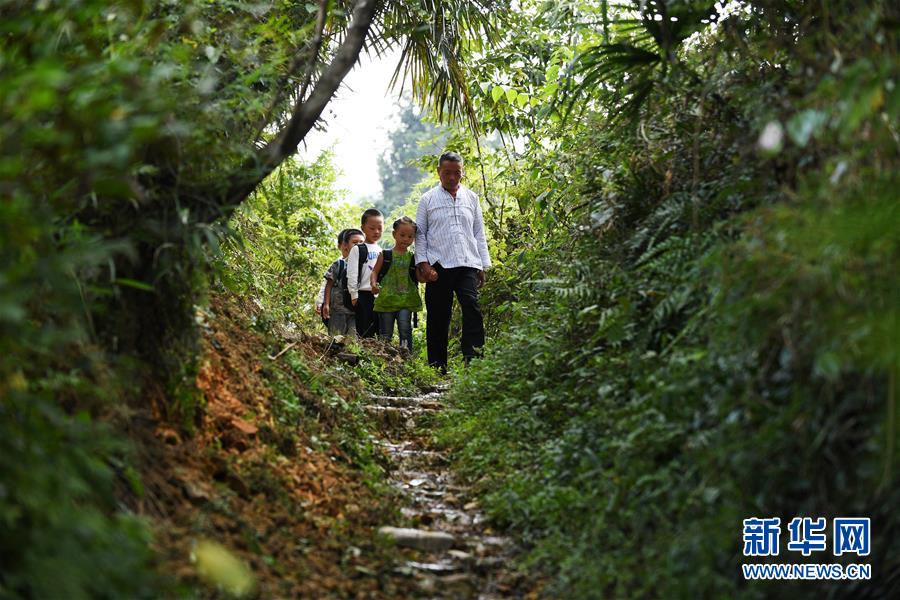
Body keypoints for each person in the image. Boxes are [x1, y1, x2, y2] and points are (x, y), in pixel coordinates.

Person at [415, 152, 491, 371]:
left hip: (467, 262)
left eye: (456, 173)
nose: (452, 177)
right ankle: (437, 367)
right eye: (447, 173)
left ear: (462, 172)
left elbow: (478, 233)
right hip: (438, 265)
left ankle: (474, 363)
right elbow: (420, 234)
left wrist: (482, 265)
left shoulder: (472, 198)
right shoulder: (427, 199)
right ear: (439, 172)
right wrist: (424, 265)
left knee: (472, 309)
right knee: (439, 315)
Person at [371, 216, 423, 352]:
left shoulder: (413, 257)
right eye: (402, 235)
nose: (406, 239)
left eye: (410, 237)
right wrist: (373, 284)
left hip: (406, 300)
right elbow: (375, 272)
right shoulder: (385, 255)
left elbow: (418, 277)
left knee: (405, 328)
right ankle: (384, 356)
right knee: (386, 332)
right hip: (386, 299)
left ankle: (407, 356)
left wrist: (429, 275)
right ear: (394, 234)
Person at [347, 208, 384, 338]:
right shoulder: (358, 249)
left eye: (380, 228)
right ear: (363, 228)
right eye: (372, 228)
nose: (376, 231)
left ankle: (377, 355)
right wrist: (354, 295)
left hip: (379, 296)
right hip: (363, 294)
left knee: (378, 328)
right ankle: (363, 354)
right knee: (364, 328)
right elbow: (351, 273)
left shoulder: (382, 250)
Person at [322, 228, 364, 336]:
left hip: (355, 311)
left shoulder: (365, 266)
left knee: (352, 341)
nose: (358, 246)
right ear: (345, 245)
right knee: (336, 338)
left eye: (361, 243)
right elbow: (329, 285)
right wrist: (326, 304)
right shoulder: (339, 265)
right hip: (337, 310)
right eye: (355, 243)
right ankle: (333, 352)